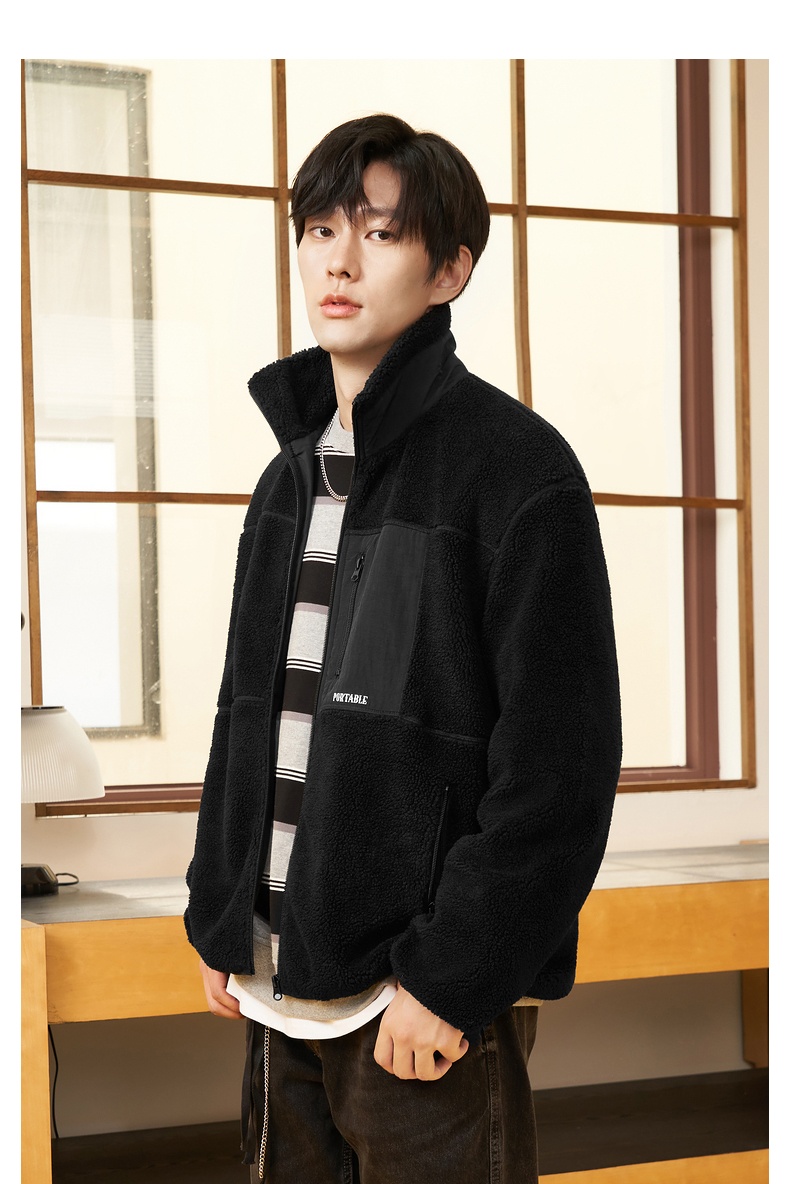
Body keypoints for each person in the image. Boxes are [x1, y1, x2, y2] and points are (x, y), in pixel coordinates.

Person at [184, 113, 622, 1184]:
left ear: (450, 270)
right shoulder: (288, 478)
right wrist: (221, 913)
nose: (339, 261)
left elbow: (559, 771)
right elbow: (251, 716)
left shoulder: (517, 471)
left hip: (414, 1008)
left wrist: (451, 978)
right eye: (320, 228)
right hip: (275, 990)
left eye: (379, 233)